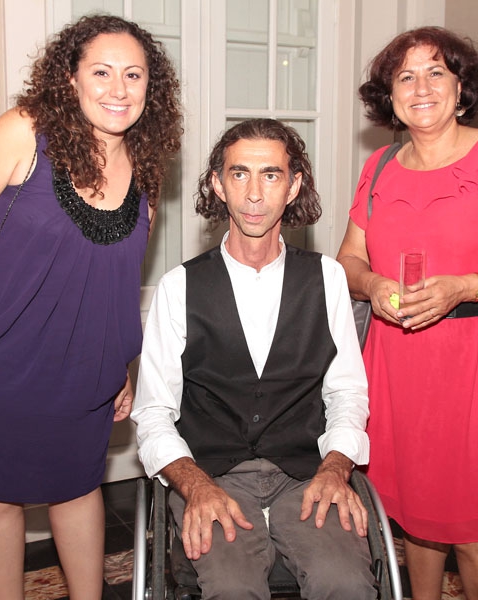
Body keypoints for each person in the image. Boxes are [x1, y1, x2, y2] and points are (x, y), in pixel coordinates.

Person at [0, 15, 181, 599]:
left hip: (81, 368)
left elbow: (118, 279)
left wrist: (121, 364)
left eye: (134, 75)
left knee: (77, 488)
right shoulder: (24, 132)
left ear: (150, 87)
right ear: (70, 79)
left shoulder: (146, 167)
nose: (119, 88)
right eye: (101, 72)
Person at [336, 27, 478, 600]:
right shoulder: (380, 167)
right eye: (405, 77)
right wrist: (374, 284)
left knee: (473, 528)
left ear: (462, 87)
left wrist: (464, 287)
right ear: (389, 95)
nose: (421, 88)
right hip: (397, 360)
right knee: (416, 517)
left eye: (436, 73)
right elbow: (348, 260)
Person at [131, 119, 377, 600]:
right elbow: (154, 412)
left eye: (271, 175)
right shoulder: (179, 287)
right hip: (213, 476)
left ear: (294, 186)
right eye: (239, 174)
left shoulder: (327, 278)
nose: (255, 194)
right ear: (218, 184)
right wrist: (195, 486)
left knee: (345, 583)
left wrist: (336, 467)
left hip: (305, 474)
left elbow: (347, 392)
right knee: (231, 589)